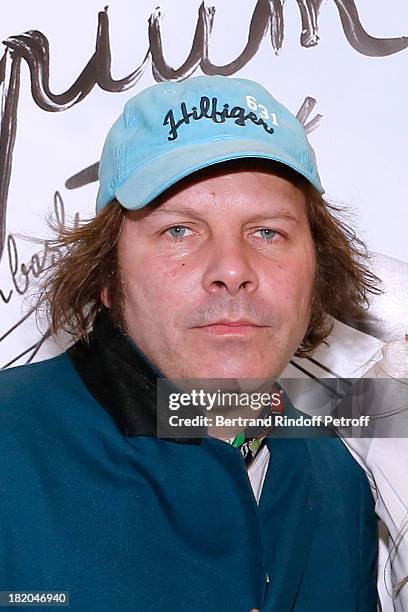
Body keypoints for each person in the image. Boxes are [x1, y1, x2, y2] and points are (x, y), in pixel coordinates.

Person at [0, 75, 381, 611]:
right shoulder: (11, 449)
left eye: (267, 232)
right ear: (107, 278)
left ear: (317, 274)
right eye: (179, 230)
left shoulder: (339, 479)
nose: (231, 269)